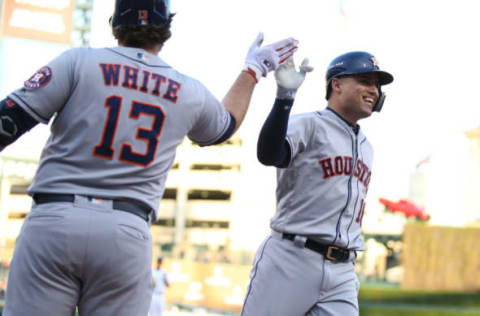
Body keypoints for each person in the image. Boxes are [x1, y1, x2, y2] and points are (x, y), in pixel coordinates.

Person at [0, 1, 298, 315]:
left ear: (115, 24)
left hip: (55, 218)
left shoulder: (78, 62)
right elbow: (224, 126)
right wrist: (252, 71)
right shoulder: (187, 89)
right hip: (126, 230)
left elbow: (8, 122)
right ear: (166, 30)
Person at [241, 51, 394, 316]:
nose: (374, 90)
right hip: (291, 258)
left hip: (343, 270)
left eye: (376, 85)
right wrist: (284, 98)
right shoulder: (309, 124)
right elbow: (269, 154)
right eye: (365, 81)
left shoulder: (367, 147)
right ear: (337, 84)